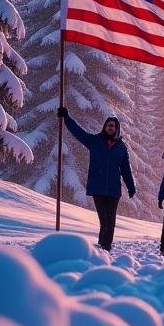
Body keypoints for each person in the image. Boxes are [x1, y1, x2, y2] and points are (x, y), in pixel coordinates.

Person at [56, 107, 135, 252]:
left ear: (117, 129)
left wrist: (131, 186)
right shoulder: (95, 141)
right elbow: (78, 132)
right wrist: (66, 117)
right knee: (104, 219)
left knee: (109, 221)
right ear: (104, 127)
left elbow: (125, 169)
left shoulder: (122, 148)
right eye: (108, 125)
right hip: (98, 187)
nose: (110, 128)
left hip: (113, 189)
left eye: (113, 126)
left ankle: (105, 247)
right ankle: (103, 247)